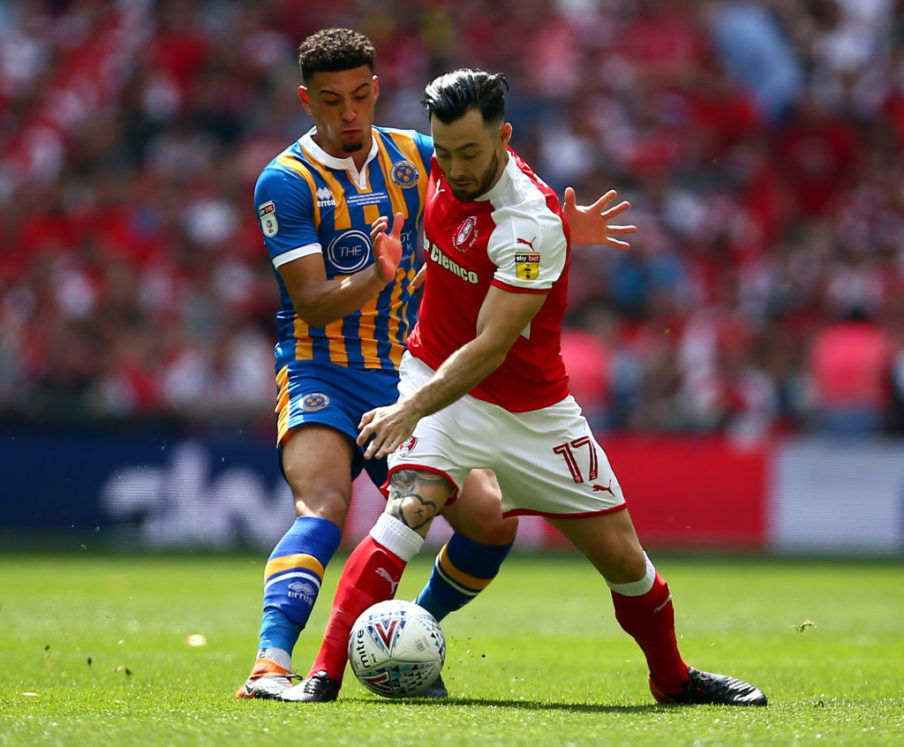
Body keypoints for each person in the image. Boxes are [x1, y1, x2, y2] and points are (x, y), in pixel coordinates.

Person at [286, 69, 767, 707]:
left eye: (470, 154)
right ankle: (321, 679)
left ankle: (673, 680)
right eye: (445, 151)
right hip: (435, 376)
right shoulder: (437, 160)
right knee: (407, 512)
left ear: (504, 137)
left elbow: (491, 347)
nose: (453, 168)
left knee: (626, 563)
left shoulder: (528, 223)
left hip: (532, 412)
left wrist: (408, 410)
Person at [237, 29, 634, 702]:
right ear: (308, 102)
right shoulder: (285, 181)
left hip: (407, 374)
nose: (349, 113)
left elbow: (489, 165)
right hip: (319, 370)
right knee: (325, 503)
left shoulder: (414, 154)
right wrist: (377, 277)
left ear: (376, 90)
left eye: (361, 95)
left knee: (491, 520)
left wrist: (563, 228)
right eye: (331, 101)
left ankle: (405, 632)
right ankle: (271, 663)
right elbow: (310, 302)